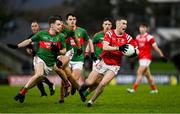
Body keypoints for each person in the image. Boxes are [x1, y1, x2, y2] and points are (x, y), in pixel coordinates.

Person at [7, 15, 68, 103]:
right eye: (58, 24)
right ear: (52, 25)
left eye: (60, 25)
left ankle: (24, 91)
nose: (60, 26)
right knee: (39, 74)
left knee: (37, 80)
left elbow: (64, 51)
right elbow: (29, 41)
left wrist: (58, 50)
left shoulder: (61, 36)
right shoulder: (42, 34)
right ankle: (21, 92)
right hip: (39, 58)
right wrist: (17, 46)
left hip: (50, 64)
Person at [79, 18, 138, 107]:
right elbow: (105, 47)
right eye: (123, 23)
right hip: (103, 62)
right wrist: (119, 48)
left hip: (115, 65)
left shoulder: (128, 37)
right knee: (91, 82)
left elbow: (137, 50)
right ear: (118, 24)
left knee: (102, 84)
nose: (125, 26)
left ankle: (91, 101)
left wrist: (134, 53)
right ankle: (82, 90)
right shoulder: (109, 34)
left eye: (126, 24)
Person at [127, 23, 168, 94]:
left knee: (139, 72)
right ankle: (154, 90)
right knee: (148, 76)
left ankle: (133, 89)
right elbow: (136, 49)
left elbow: (156, 48)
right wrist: (133, 59)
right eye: (140, 27)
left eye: (143, 27)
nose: (141, 29)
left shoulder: (149, 37)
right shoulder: (137, 37)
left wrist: (162, 56)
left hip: (146, 58)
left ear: (146, 29)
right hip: (141, 59)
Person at [65, 13, 95, 94]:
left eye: (74, 19)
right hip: (67, 58)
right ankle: (71, 87)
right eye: (70, 19)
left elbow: (89, 40)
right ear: (66, 21)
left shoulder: (82, 31)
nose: (72, 21)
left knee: (74, 78)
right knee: (67, 77)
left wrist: (90, 52)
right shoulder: (63, 31)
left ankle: (72, 87)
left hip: (78, 58)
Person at [83, 18, 113, 97]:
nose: (107, 26)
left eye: (109, 24)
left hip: (108, 62)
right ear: (103, 25)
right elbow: (90, 44)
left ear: (111, 26)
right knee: (93, 81)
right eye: (106, 24)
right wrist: (86, 53)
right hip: (98, 61)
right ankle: (83, 88)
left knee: (98, 82)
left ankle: (85, 93)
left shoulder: (113, 36)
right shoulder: (98, 35)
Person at [26, 21, 55, 97]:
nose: (34, 28)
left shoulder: (43, 35)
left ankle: (46, 89)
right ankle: (46, 89)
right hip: (35, 58)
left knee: (38, 76)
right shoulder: (30, 37)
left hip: (44, 58)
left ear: (38, 27)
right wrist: (29, 50)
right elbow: (28, 47)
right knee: (38, 76)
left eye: (35, 26)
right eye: (32, 26)